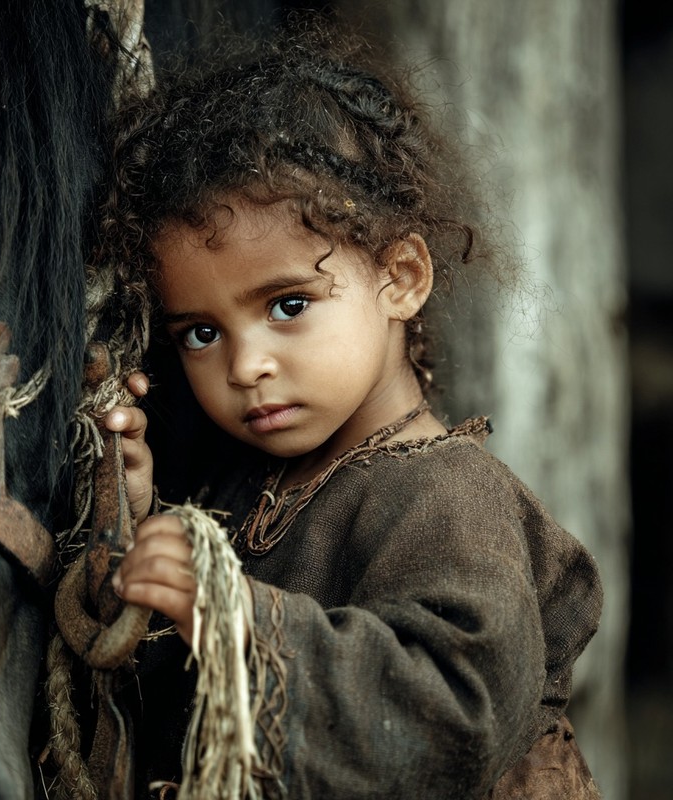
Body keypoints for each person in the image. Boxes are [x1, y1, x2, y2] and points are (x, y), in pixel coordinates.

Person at [100, 20, 604, 800]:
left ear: (401, 278)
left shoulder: (448, 496)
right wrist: (134, 527)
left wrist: (237, 622)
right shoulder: (244, 489)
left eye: (288, 304)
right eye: (200, 332)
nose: (245, 365)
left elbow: (456, 715)